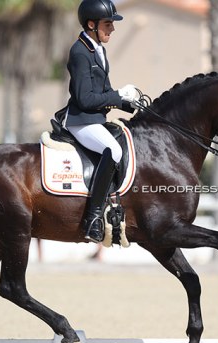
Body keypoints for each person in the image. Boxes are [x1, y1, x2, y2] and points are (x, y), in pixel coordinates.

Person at [58, 0, 137, 243]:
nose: (112, 28)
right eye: (107, 24)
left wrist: (126, 102)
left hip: (95, 119)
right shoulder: (80, 51)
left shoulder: (97, 48)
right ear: (91, 24)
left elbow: (103, 91)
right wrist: (117, 96)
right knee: (112, 150)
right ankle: (92, 218)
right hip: (81, 121)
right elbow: (85, 98)